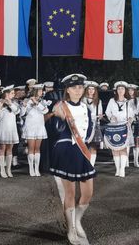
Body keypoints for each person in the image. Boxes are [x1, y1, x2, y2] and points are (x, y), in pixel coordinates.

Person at [49, 73, 95, 245]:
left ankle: (77, 220)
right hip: (66, 150)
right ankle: (71, 229)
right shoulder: (60, 106)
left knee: (88, 194)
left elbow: (89, 129)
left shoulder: (86, 107)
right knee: (70, 193)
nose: (78, 90)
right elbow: (55, 130)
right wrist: (58, 117)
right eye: (74, 87)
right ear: (67, 90)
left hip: (81, 151)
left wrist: (87, 144)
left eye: (80, 87)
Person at [105, 81, 134, 177]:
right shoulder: (111, 101)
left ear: (125, 90)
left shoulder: (129, 101)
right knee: (115, 148)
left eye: (122, 89)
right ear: (116, 90)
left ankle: (122, 170)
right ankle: (117, 169)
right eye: (119, 89)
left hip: (124, 126)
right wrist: (111, 117)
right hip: (114, 127)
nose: (120, 90)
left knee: (123, 148)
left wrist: (130, 119)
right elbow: (108, 112)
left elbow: (132, 114)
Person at [21, 84, 49, 176]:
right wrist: (24, 105)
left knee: (37, 149)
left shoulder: (42, 101)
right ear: (36, 91)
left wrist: (37, 103)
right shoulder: (27, 100)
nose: (42, 92)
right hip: (30, 126)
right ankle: (31, 169)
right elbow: (22, 113)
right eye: (40, 90)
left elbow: (45, 111)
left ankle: (37, 169)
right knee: (31, 148)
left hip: (39, 126)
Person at [0, 85, 21, 178]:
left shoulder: (14, 103)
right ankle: (2, 169)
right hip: (2, 128)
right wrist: (1, 106)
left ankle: (8, 169)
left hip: (12, 128)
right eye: (12, 93)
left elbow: (17, 111)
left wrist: (10, 103)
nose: (14, 94)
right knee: (2, 149)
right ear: (6, 93)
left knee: (10, 149)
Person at [82, 81, 104, 166]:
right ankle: (84, 164)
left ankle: (91, 165)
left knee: (93, 146)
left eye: (93, 89)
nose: (91, 91)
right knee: (84, 145)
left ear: (95, 91)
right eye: (89, 89)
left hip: (94, 125)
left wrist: (100, 116)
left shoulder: (98, 101)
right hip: (85, 125)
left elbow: (100, 113)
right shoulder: (82, 100)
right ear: (87, 90)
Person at [128, 84, 139, 167]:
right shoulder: (125, 99)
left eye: (132, 90)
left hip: (135, 122)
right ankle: (126, 160)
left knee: (136, 141)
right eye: (129, 90)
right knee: (126, 141)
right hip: (126, 122)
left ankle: (135, 161)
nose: (130, 92)